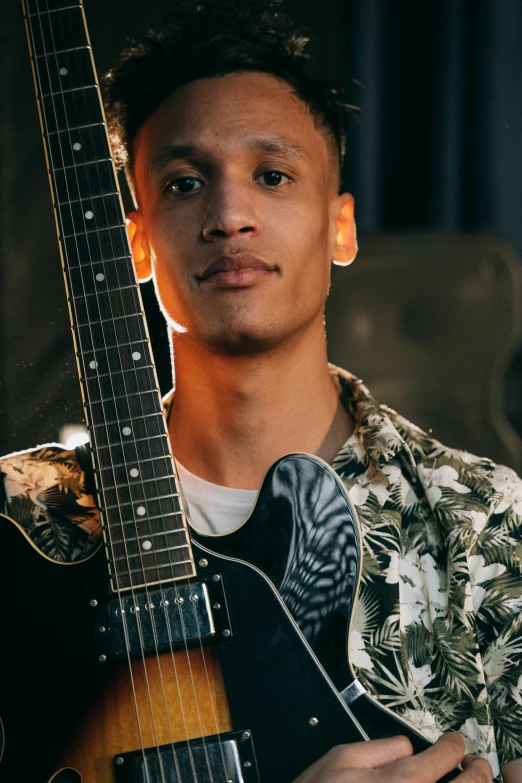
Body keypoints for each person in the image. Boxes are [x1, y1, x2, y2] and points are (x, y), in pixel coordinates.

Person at [1, 1, 521, 781]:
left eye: (272, 176)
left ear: (340, 227)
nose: (230, 215)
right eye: (183, 184)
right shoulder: (18, 523)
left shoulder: (487, 520)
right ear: (136, 242)